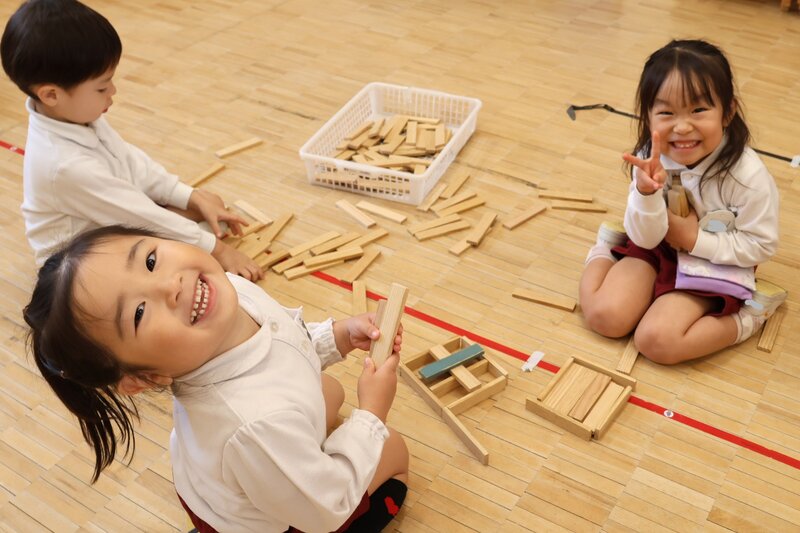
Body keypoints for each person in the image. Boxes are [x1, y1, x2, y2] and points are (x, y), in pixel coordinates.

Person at [23, 225, 409, 532]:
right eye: (139, 312)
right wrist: (372, 412)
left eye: (151, 260)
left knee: (329, 390)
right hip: (262, 519)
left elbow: (285, 339)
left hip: (223, 481)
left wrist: (338, 336)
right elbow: (326, 507)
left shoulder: (222, 290)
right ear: (145, 377)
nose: (170, 285)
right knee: (392, 449)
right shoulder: (252, 424)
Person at [1, 0, 263, 280]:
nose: (113, 91)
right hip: (78, 265)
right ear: (51, 95)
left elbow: (131, 164)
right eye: (102, 87)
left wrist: (190, 196)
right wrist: (218, 251)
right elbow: (138, 216)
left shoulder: (73, 115)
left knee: (206, 203)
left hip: (111, 221)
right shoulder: (63, 166)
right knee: (166, 264)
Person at [579, 39, 785, 365]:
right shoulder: (650, 157)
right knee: (605, 317)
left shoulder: (748, 176)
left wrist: (693, 239)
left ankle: (751, 317)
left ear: (728, 111)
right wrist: (645, 195)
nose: (683, 126)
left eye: (698, 110)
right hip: (657, 245)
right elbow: (645, 237)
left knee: (657, 341)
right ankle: (606, 247)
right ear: (648, 116)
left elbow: (760, 245)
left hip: (717, 259)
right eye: (666, 112)